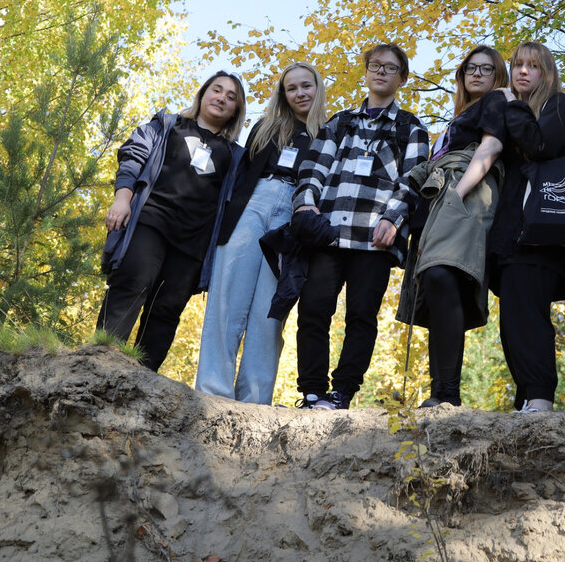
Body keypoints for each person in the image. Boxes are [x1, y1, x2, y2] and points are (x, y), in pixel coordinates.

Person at [292, 43, 429, 410]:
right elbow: (314, 168)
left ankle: (342, 394)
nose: (381, 72)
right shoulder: (340, 122)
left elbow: (414, 179)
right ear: (366, 72)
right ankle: (311, 392)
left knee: (361, 316)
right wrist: (305, 204)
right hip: (329, 232)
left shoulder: (410, 128)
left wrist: (392, 218)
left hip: (376, 239)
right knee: (314, 309)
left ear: (403, 77)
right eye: (375, 65)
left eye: (390, 67)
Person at [194, 63, 326, 404]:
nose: (300, 93)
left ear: (317, 88)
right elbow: (240, 176)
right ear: (283, 95)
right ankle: (212, 390)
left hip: (295, 214)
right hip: (254, 203)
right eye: (291, 88)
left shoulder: (329, 132)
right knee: (228, 296)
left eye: (306, 86)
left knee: (270, 310)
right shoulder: (266, 127)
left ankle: (254, 399)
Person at [97, 71, 247, 372]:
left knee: (166, 309)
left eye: (231, 97)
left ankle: (143, 378)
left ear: (236, 111)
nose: (222, 98)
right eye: (217, 90)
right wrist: (122, 198)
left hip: (193, 243)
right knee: (132, 285)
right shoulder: (168, 125)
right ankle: (100, 363)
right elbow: (132, 156)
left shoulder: (236, 156)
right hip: (151, 222)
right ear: (203, 94)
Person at [397, 46, 508, 408]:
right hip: (440, 192)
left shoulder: (496, 100)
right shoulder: (459, 117)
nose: (476, 74)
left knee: (444, 275)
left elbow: (491, 145)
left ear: (497, 74)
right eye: (469, 68)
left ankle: (447, 393)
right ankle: (441, 392)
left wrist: (458, 194)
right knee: (436, 281)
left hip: (464, 188)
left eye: (486, 68)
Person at [488, 42, 565, 414]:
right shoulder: (514, 110)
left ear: (547, 73)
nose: (523, 72)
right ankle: (527, 397)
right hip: (511, 233)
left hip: (543, 234)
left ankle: (541, 396)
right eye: (517, 65)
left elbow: (539, 144)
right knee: (513, 318)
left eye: (533, 66)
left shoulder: (559, 104)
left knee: (528, 314)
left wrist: (511, 103)